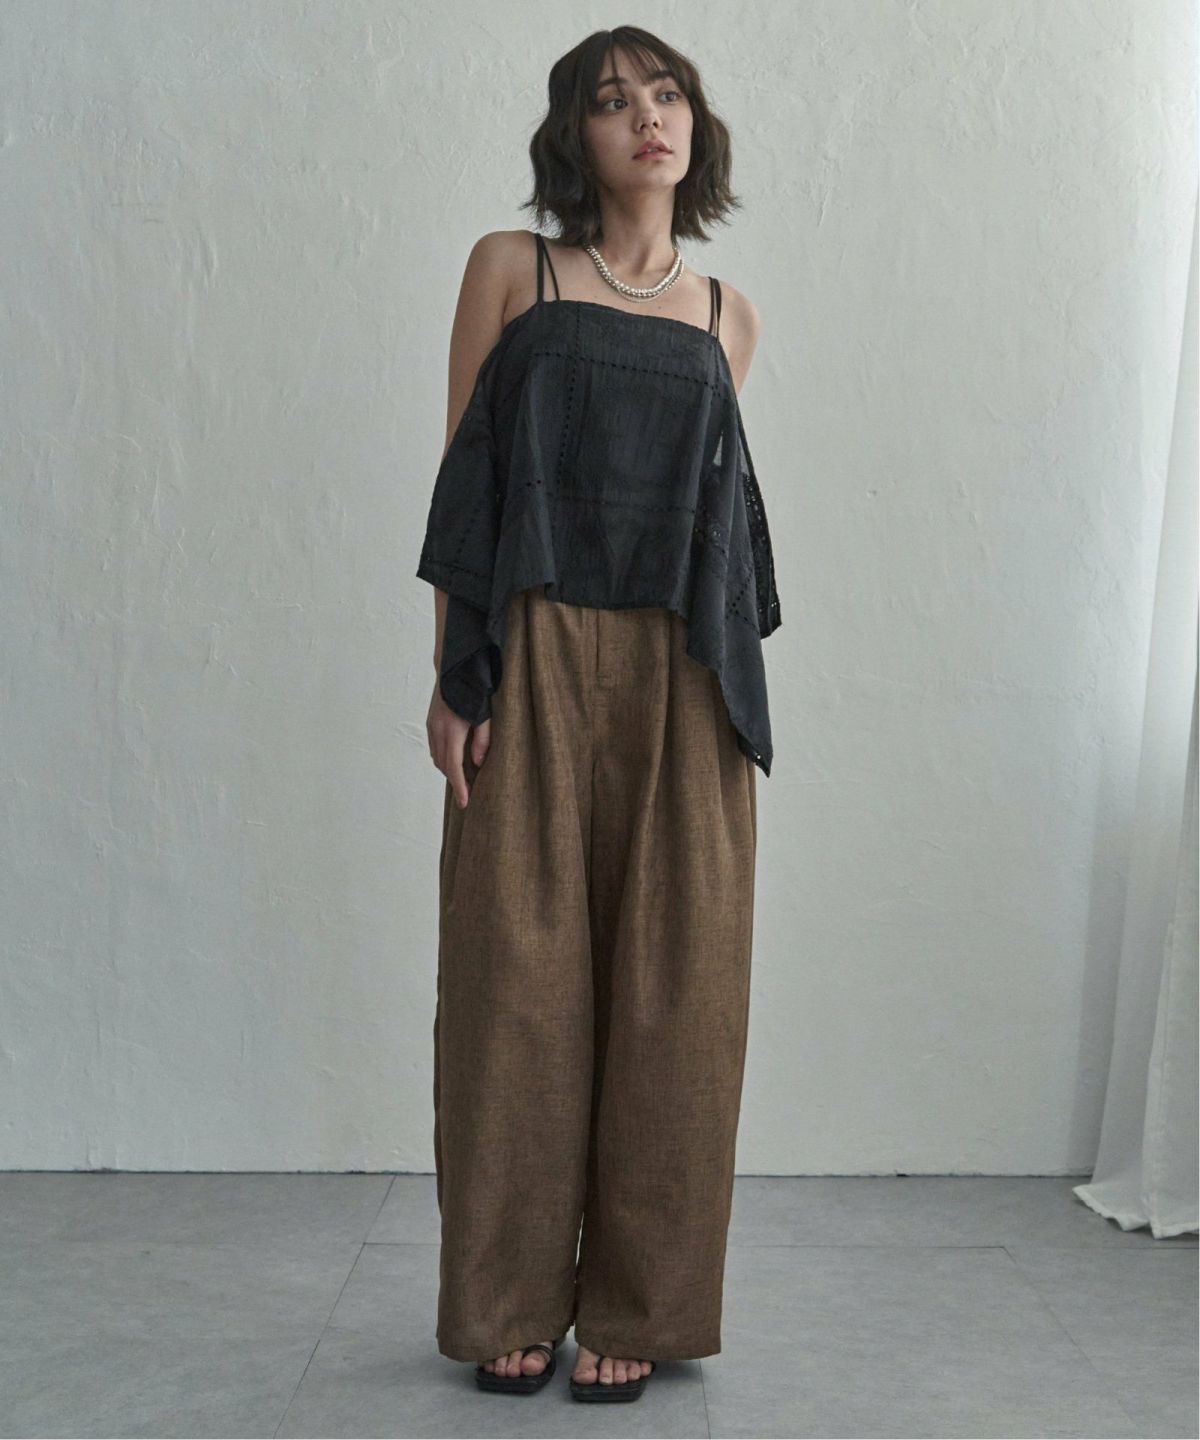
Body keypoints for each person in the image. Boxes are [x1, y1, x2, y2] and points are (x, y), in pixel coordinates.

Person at [416, 26, 782, 1404]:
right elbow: (465, 482)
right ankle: (508, 1295)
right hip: (536, 644)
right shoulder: (512, 269)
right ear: (575, 133)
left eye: (666, 95)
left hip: (686, 670)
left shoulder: (727, 314)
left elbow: (700, 521)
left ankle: (645, 1299)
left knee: (680, 988)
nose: (646, 119)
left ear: (696, 127)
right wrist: (453, 675)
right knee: (512, 982)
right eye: (613, 101)